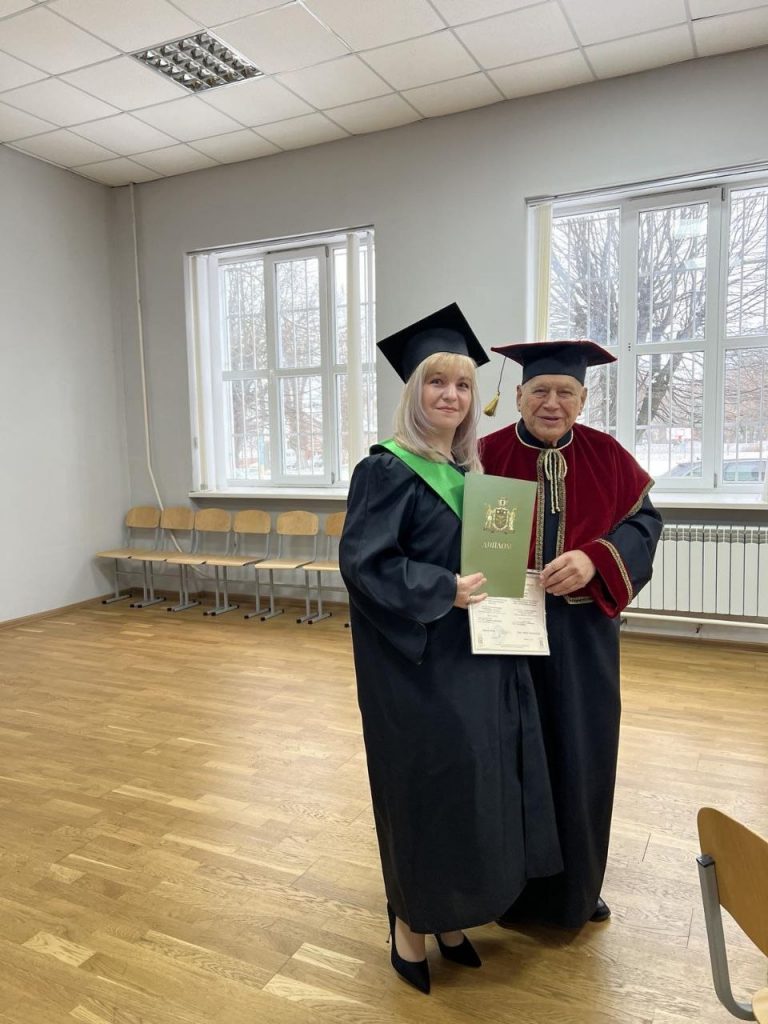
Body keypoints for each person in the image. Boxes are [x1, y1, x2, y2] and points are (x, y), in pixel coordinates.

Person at [339, 304, 562, 994]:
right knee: (426, 788)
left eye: (463, 385)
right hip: (418, 665)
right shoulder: (384, 470)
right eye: (437, 382)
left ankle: (452, 914)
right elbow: (365, 564)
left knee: (472, 783)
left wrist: (516, 586)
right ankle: (411, 921)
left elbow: (490, 564)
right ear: (414, 391)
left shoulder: (472, 476)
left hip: (478, 658)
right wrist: (443, 588)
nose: (451, 396)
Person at [479, 339, 663, 930]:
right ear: (518, 396)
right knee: (513, 755)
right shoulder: (484, 455)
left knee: (584, 755)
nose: (552, 403)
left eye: (565, 392)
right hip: (507, 635)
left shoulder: (609, 456)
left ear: (583, 399)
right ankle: (510, 889)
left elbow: (644, 525)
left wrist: (594, 558)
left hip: (584, 637)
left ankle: (579, 889)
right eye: (540, 391)